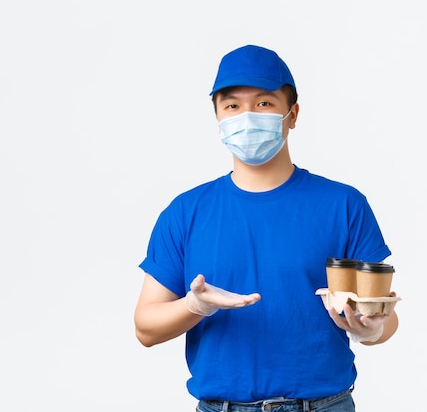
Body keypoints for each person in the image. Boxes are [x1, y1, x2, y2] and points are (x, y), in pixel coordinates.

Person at [134, 44, 398, 412]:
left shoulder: (343, 205)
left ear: (292, 114)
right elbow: (145, 327)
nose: (246, 116)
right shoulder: (186, 212)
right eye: (232, 106)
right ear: (218, 117)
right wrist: (195, 305)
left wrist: (371, 331)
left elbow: (384, 315)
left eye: (263, 103)